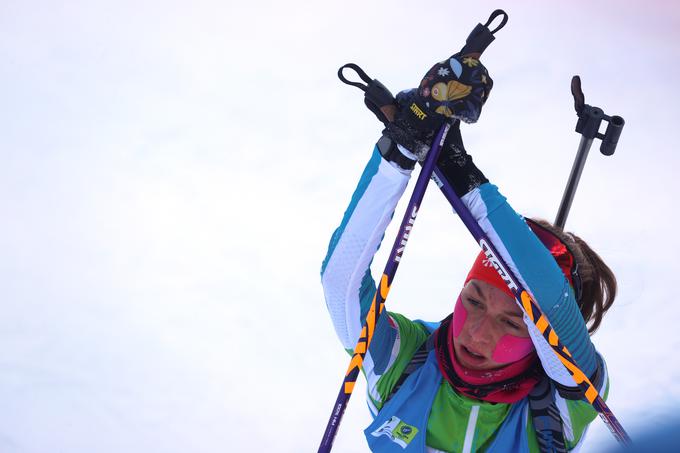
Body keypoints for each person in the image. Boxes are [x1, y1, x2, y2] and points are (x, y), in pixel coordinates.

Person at [320, 52, 616, 452]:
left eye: (512, 324)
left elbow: (548, 304)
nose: (477, 335)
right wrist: (400, 153)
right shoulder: (403, 362)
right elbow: (342, 284)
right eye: (473, 300)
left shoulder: (564, 404)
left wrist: (456, 168)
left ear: (539, 339)